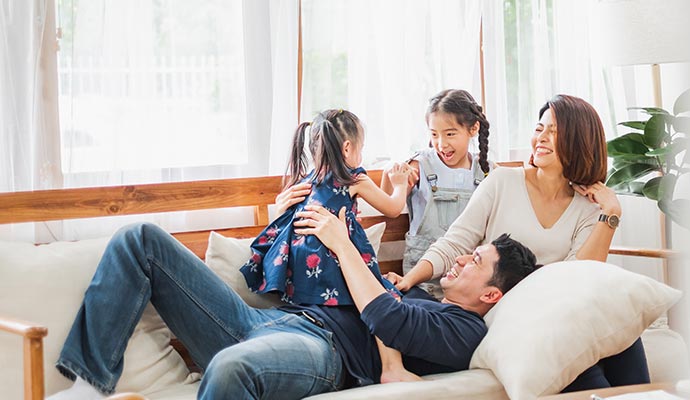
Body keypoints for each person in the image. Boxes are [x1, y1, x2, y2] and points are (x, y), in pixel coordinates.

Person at [46, 212, 541, 400]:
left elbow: (385, 319)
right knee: (141, 239)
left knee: (232, 367)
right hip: (268, 319)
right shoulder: (419, 293)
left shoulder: (463, 329)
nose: (457, 262)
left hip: (319, 351)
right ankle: (89, 384)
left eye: (473, 261)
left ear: (491, 295)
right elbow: (380, 305)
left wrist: (344, 245)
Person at [388, 94, 649, 392]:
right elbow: (455, 243)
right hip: (500, 311)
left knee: (623, 328)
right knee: (574, 350)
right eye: (539, 129)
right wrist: (409, 280)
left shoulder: (587, 207)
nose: (541, 138)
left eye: (553, 131)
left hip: (549, 313)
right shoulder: (502, 181)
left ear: (578, 140)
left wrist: (610, 215)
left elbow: (581, 276)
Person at [238, 108, 417, 382]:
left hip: (302, 267)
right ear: (347, 147)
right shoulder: (353, 177)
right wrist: (401, 184)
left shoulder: (305, 182)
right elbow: (393, 208)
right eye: (361, 148)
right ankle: (392, 368)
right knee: (383, 296)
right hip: (334, 256)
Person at [380, 89, 492, 299]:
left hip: (468, 285)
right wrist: (391, 176)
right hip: (421, 284)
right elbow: (390, 208)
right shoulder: (420, 165)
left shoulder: (487, 172)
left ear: (473, 128)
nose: (441, 144)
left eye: (450, 134)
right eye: (434, 134)